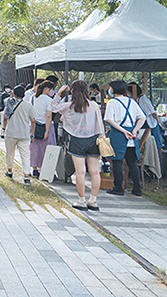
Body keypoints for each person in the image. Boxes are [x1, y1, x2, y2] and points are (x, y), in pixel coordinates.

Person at [51, 81, 105, 210]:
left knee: (80, 172)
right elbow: (100, 123)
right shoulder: (94, 105)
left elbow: (53, 108)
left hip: (76, 140)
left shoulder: (69, 106)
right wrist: (102, 136)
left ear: (72, 91)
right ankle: (93, 201)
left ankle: (81, 201)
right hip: (93, 139)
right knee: (95, 172)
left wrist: (59, 94)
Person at [105, 80, 146, 196]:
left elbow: (110, 120)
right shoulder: (132, 102)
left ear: (113, 89)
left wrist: (123, 131)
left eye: (110, 88)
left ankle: (118, 187)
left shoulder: (112, 103)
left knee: (117, 161)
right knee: (132, 162)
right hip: (132, 136)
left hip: (118, 134)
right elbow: (142, 118)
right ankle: (137, 188)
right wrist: (134, 130)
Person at [2, 85, 36, 184]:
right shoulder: (28, 105)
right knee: (25, 155)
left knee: (10, 153)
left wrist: (4, 129)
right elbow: (33, 120)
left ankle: (9, 171)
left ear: (14, 93)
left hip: (11, 133)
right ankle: (26, 175)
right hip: (24, 133)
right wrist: (32, 132)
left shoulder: (9, 103)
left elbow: (5, 118)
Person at [30, 80, 56, 178]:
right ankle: (46, 170)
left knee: (34, 149)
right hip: (46, 126)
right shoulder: (49, 100)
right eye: (52, 89)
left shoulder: (32, 98)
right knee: (47, 149)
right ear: (47, 89)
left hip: (33, 126)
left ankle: (35, 169)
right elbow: (48, 116)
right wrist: (47, 131)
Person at [129, 83, 162, 148]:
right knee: (155, 145)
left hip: (152, 124)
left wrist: (158, 123)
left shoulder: (143, 100)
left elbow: (153, 113)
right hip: (149, 124)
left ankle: (158, 158)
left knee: (157, 145)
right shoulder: (139, 99)